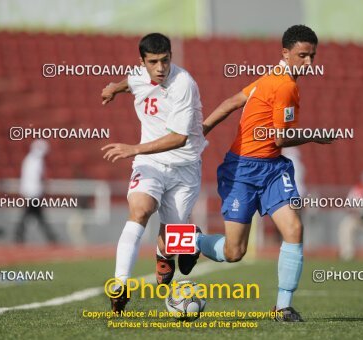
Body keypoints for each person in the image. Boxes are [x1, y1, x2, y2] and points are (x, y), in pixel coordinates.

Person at [199, 25, 337, 322]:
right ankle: (194, 241)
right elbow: (279, 138)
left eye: (312, 56)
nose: (309, 63)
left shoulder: (270, 78)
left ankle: (283, 307)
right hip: (244, 169)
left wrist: (203, 129)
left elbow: (231, 102)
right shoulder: (284, 84)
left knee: (294, 230)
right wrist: (315, 134)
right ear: (285, 53)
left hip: (273, 169)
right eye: (303, 55)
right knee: (234, 252)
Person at [100, 33, 206, 312]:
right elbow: (131, 83)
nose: (160, 68)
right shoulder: (139, 75)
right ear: (143, 62)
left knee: (169, 241)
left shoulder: (183, 83)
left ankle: (179, 245)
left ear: (172, 57)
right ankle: (120, 284)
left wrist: (133, 149)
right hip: (151, 163)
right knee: (140, 209)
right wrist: (113, 88)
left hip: (184, 167)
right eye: (153, 62)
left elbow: (179, 138)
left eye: (165, 61)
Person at [15, 140, 58, 244]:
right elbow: (39, 178)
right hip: (34, 193)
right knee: (33, 215)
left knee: (35, 215)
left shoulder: (28, 159)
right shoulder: (38, 161)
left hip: (29, 192)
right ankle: (50, 237)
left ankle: (50, 237)